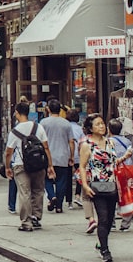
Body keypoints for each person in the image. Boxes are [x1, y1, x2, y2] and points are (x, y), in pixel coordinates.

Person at [79, 113, 131, 262]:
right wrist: (85, 185)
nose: (101, 127)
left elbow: (113, 163)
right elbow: (82, 167)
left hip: (112, 185)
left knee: (109, 220)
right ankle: (105, 251)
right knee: (103, 217)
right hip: (97, 186)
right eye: (98, 124)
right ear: (90, 128)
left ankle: (101, 242)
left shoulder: (110, 143)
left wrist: (125, 157)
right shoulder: (87, 145)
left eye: (102, 124)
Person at [5, 101, 55, 232]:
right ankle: (36, 218)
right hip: (39, 164)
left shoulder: (14, 132)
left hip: (21, 165)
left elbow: (8, 152)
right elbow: (46, 147)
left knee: (24, 193)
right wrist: (50, 165)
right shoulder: (38, 127)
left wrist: (7, 167)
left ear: (17, 113)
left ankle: (26, 222)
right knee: (38, 191)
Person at [41, 99, 75, 213]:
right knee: (61, 181)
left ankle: (52, 196)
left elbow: (40, 141)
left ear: (48, 109)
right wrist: (71, 156)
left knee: (47, 179)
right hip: (62, 156)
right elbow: (71, 141)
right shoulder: (66, 123)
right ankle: (59, 205)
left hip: (47, 156)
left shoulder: (43, 123)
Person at [108, 117, 133, 232]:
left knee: (111, 197)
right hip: (127, 171)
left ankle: (112, 222)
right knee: (126, 196)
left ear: (109, 130)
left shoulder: (108, 141)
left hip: (114, 171)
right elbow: (132, 157)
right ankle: (125, 224)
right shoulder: (127, 141)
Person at [67, 108, 84, 210]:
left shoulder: (65, 127)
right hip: (79, 155)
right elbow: (83, 142)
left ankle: (69, 201)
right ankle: (77, 195)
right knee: (80, 177)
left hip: (68, 155)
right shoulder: (79, 129)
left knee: (68, 178)